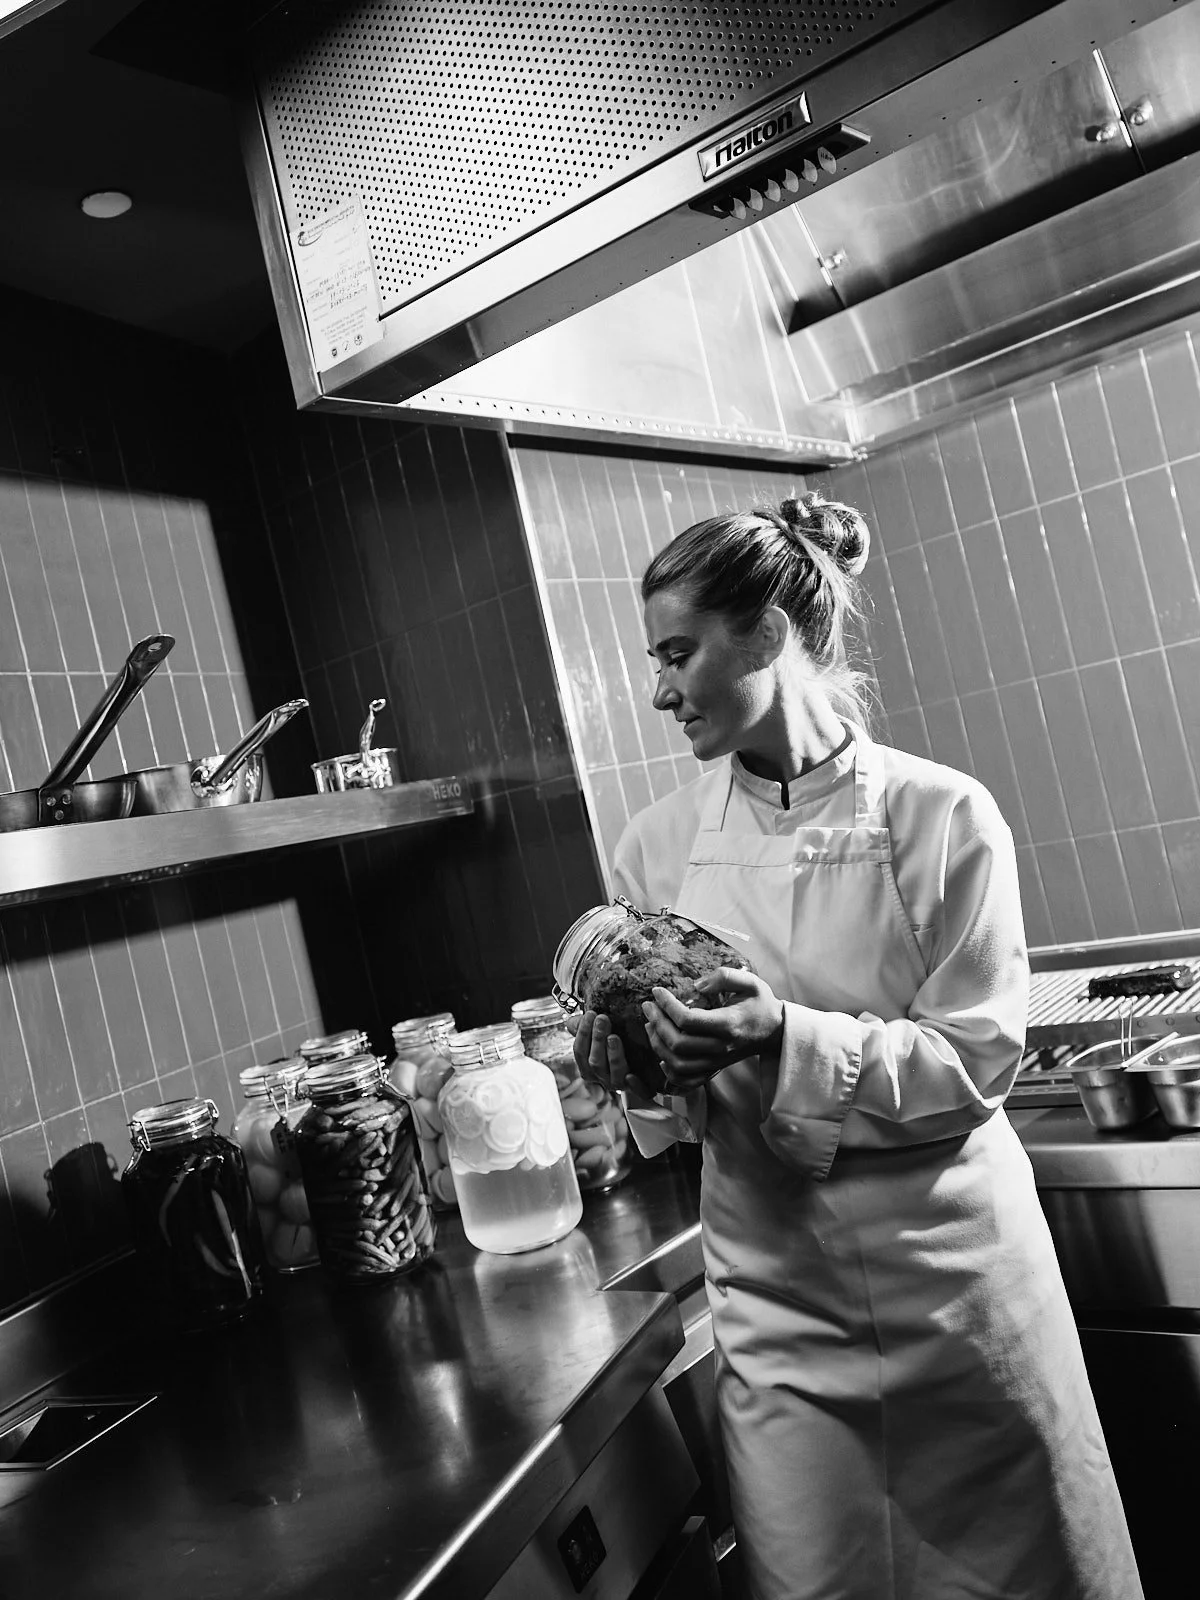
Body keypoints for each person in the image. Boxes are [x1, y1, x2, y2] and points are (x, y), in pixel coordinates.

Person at [572, 493, 1142, 1600]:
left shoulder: (944, 817)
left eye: (679, 651)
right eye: (655, 656)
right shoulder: (654, 846)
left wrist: (781, 1033)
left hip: (959, 1300)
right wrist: (633, 1073)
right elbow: (675, 1110)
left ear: (770, 633)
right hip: (783, 1310)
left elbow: (973, 1062)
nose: (658, 688)